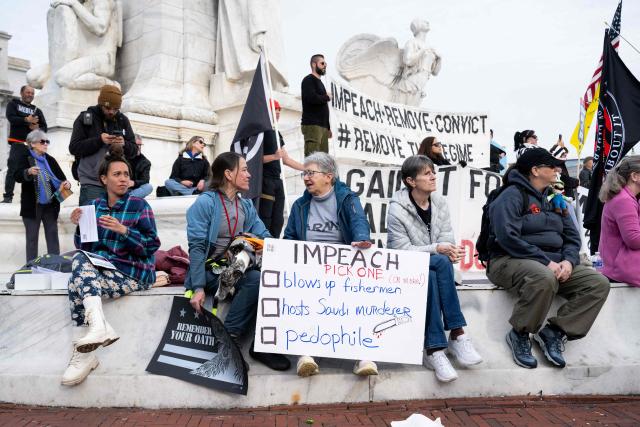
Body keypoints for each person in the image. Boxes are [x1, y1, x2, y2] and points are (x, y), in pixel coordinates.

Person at [486, 148, 609, 369]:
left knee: (597, 283)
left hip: (552, 263)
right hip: (506, 260)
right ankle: (520, 333)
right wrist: (547, 262)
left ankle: (554, 332)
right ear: (535, 170)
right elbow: (507, 238)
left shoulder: (555, 198)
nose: (558, 169)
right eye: (551, 166)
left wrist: (569, 261)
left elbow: (573, 238)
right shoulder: (511, 195)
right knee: (543, 277)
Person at [61, 148, 160, 386]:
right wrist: (79, 225)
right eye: (117, 174)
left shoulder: (139, 206)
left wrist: (124, 231)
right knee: (79, 264)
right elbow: (86, 247)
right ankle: (96, 330)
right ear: (104, 179)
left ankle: (85, 351)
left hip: (134, 272)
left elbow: (151, 246)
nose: (124, 178)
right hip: (104, 269)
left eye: (126, 174)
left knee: (76, 280)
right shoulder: (94, 207)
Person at [185, 151, 290, 371]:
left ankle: (262, 346)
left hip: (236, 269)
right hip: (209, 271)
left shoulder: (246, 205)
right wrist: (197, 287)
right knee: (255, 279)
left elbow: (264, 235)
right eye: (244, 169)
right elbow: (196, 248)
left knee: (270, 278)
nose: (249, 175)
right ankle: (228, 342)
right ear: (228, 174)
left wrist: (288, 254)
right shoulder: (205, 203)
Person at [386, 155, 482, 382]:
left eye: (433, 171)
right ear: (411, 181)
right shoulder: (397, 210)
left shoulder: (439, 203)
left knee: (432, 273)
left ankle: (434, 350)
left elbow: (446, 239)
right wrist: (438, 248)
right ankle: (457, 333)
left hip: (432, 269)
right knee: (438, 261)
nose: (433, 176)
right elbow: (403, 250)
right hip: (404, 266)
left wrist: (451, 251)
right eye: (426, 173)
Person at [283, 152, 377, 377]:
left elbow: (358, 222)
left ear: (329, 176)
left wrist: (361, 238)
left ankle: (363, 357)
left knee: (359, 300)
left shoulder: (347, 198)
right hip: (308, 269)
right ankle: (305, 355)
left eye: (311, 173)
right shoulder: (300, 205)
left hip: (341, 267)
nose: (306, 177)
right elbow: (290, 237)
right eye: (304, 173)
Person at [69, 85, 136, 206]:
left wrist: (124, 143)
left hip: (116, 184)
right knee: (90, 223)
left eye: (115, 109)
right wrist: (99, 140)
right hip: (92, 182)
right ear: (100, 103)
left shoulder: (122, 120)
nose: (111, 112)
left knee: (113, 222)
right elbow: (74, 148)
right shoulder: (85, 118)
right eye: (108, 107)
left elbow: (134, 151)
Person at [12, 130, 70, 262]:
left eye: (47, 141)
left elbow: (62, 178)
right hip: (33, 206)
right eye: (42, 141)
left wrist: (66, 184)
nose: (46, 144)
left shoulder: (50, 159)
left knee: (53, 236)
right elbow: (16, 175)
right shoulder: (25, 157)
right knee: (32, 239)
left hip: (50, 205)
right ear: (32, 144)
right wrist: (28, 171)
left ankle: (56, 265)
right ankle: (31, 269)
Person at [259, 99, 304, 237]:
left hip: (277, 181)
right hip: (265, 181)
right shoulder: (260, 132)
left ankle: (274, 247)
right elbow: (253, 160)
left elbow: (286, 159)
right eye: (275, 110)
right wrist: (273, 156)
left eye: (279, 111)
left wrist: (306, 168)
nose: (278, 113)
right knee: (265, 217)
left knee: (278, 220)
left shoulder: (277, 134)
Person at [598, 156, 640, 287]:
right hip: (620, 269)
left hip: (619, 266)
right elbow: (634, 239)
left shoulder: (626, 197)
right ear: (634, 176)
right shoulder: (624, 200)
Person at [3, 85, 48, 203]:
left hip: (32, 147)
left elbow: (44, 128)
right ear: (22, 93)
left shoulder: (37, 110)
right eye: (28, 92)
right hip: (17, 144)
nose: (30, 95)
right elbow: (11, 118)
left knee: (35, 171)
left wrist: (37, 129)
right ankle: (8, 197)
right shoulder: (13, 104)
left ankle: (36, 198)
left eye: (32, 93)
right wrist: (26, 120)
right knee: (12, 170)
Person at [301, 54, 331, 156]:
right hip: (312, 125)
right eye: (322, 63)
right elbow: (312, 98)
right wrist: (327, 97)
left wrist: (328, 127)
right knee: (312, 160)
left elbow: (323, 107)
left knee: (323, 161)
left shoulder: (320, 83)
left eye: (325, 63)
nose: (325, 65)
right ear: (314, 64)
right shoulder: (308, 80)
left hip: (323, 127)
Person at [127, 134, 153, 198]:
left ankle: (127, 199)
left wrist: (134, 183)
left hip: (135, 190)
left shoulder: (145, 162)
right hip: (121, 187)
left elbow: (145, 180)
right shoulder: (123, 157)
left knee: (148, 187)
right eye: (136, 145)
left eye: (140, 145)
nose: (138, 147)